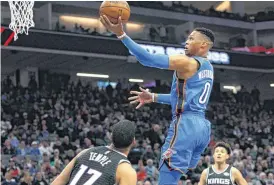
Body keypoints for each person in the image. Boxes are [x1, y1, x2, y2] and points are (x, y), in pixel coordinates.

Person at [100, 15, 214, 185]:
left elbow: (148, 59)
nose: (186, 41)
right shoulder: (209, 67)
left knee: (167, 177)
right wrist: (153, 97)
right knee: (183, 175)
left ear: (203, 45)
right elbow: (181, 99)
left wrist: (122, 35)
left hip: (186, 125)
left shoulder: (188, 63)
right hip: (203, 128)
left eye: (191, 38)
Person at [51, 120, 137, 185]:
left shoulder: (85, 152)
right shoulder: (126, 171)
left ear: (111, 136)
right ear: (133, 142)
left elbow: (59, 181)